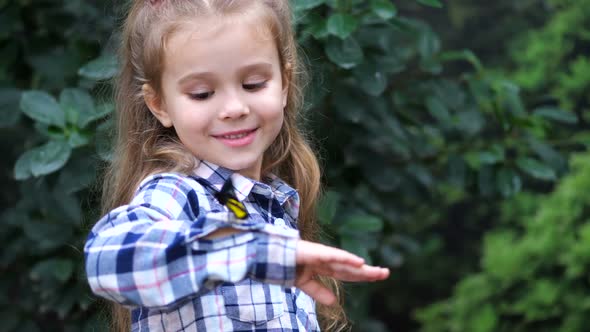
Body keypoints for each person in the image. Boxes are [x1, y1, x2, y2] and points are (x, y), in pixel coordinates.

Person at [84, 0, 390, 331]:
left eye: (254, 84)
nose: (234, 108)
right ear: (159, 104)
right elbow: (108, 260)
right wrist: (247, 251)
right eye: (202, 93)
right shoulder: (176, 192)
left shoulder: (266, 205)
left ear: (284, 84)